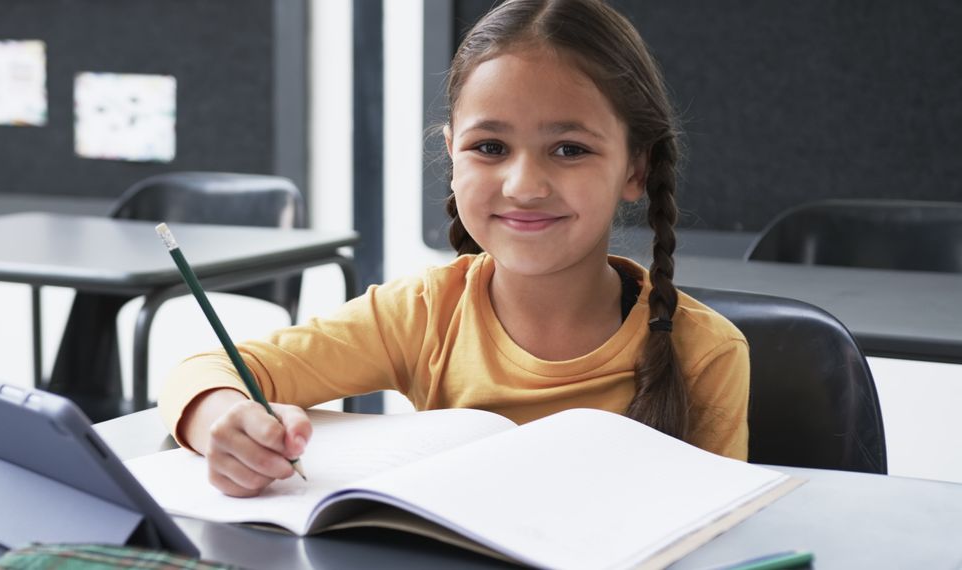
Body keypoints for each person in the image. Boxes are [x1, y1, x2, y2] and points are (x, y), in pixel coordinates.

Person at [159, 0, 749, 498]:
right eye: (490, 147)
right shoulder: (421, 313)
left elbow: (720, 538)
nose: (523, 185)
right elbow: (205, 370)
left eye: (569, 149)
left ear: (635, 168)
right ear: (451, 154)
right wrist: (225, 425)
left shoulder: (707, 353)